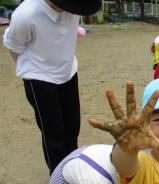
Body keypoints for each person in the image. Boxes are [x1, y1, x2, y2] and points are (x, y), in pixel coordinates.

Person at [2, 0, 101, 174]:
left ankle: (72, 172)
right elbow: (14, 47)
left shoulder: (74, 7)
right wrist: (36, 70)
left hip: (68, 71)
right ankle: (59, 181)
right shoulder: (26, 14)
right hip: (39, 78)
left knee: (72, 129)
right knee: (54, 134)